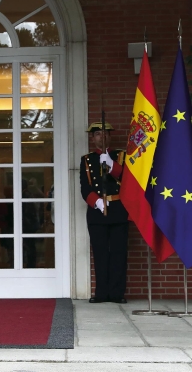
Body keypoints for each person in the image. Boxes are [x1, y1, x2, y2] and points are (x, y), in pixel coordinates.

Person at [79, 121, 129, 304]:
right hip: (97, 211)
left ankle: (117, 293)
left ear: (110, 136)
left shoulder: (121, 156)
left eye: (105, 133)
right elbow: (85, 187)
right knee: (100, 253)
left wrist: (111, 164)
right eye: (98, 134)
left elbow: (128, 179)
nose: (102, 136)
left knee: (118, 253)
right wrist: (97, 202)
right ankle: (101, 293)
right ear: (93, 138)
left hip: (118, 210)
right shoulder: (87, 159)